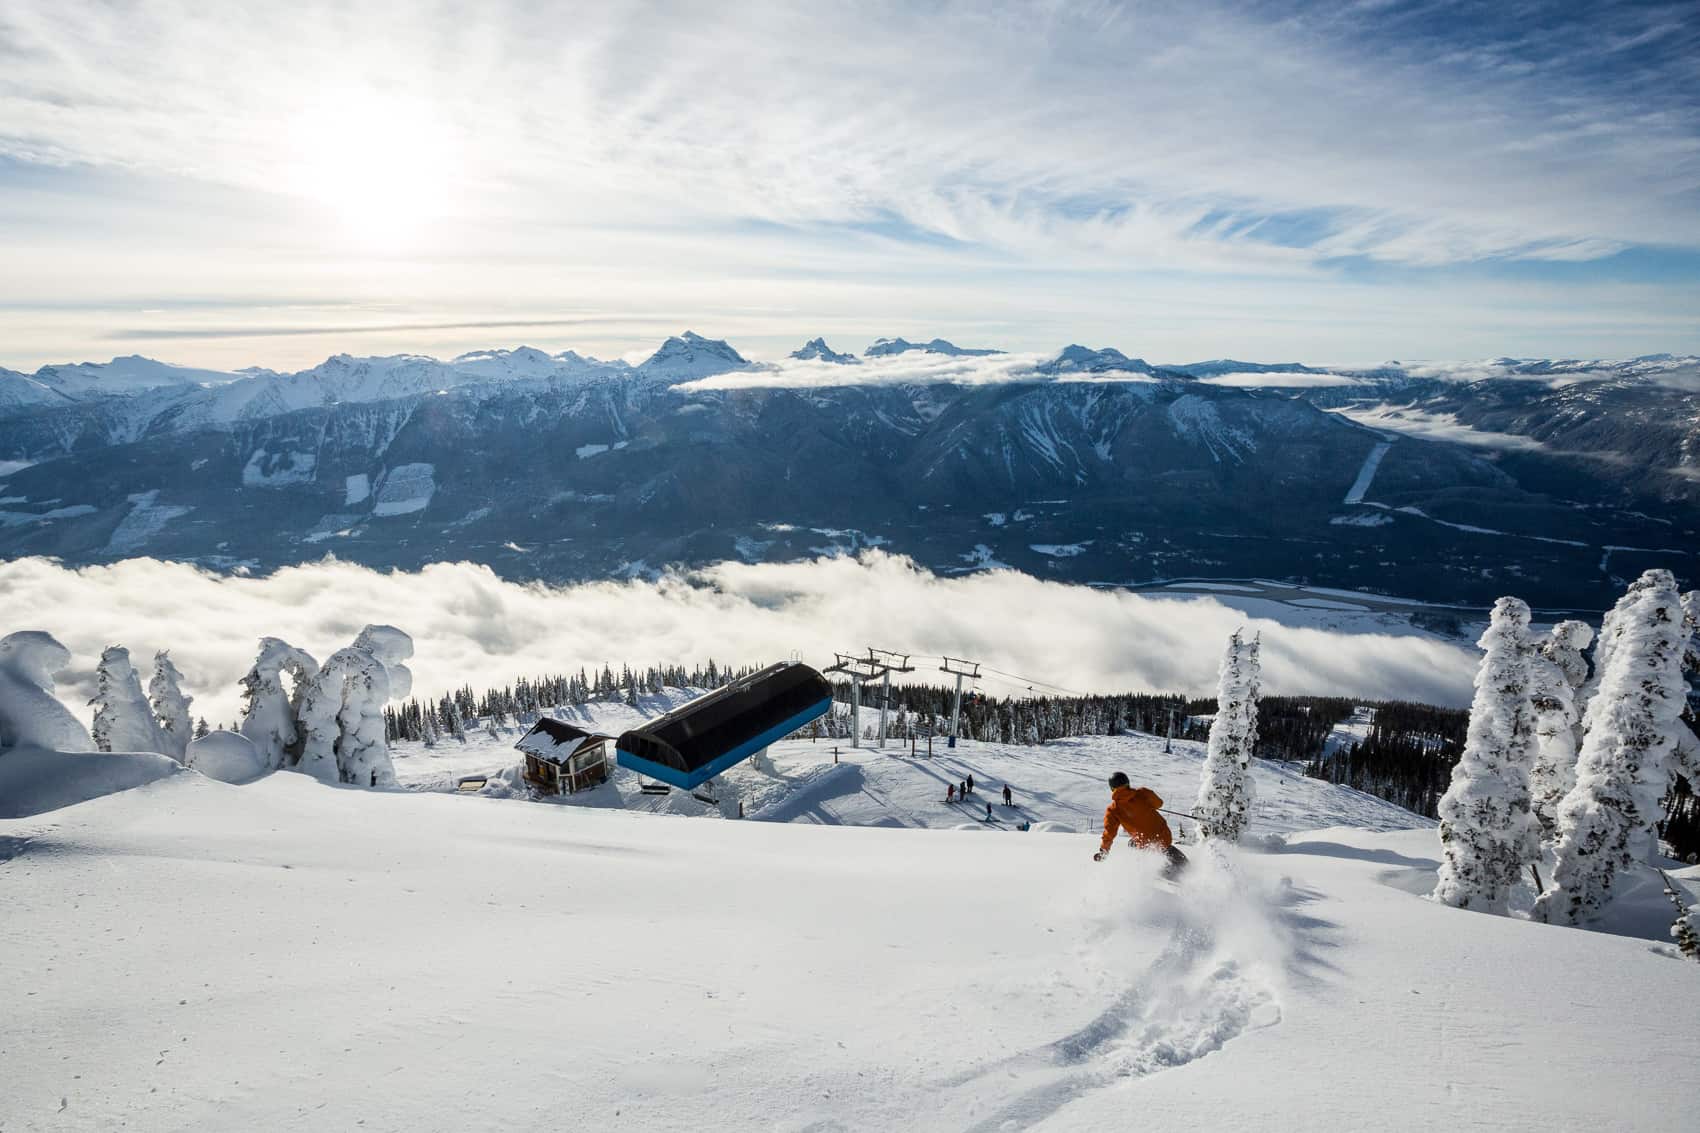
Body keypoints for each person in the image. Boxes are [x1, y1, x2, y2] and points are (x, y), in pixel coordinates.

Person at [1092, 772, 1188, 879]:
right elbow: (1159, 804)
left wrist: (1104, 851)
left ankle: (1157, 873)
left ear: (1112, 788)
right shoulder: (1142, 793)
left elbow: (1109, 833)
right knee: (1185, 867)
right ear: (1128, 783)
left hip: (1145, 844)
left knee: (1134, 843)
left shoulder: (1113, 810)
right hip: (1163, 840)